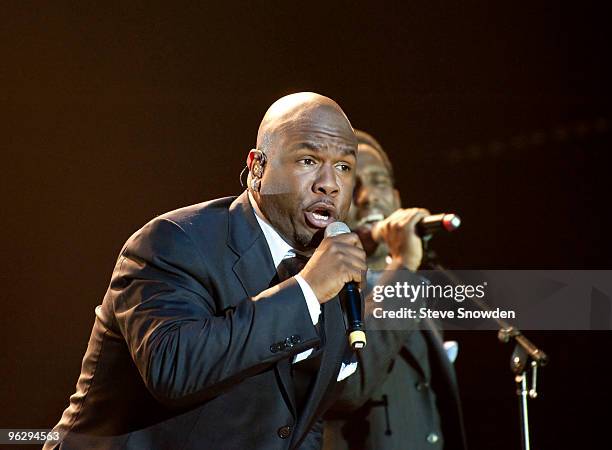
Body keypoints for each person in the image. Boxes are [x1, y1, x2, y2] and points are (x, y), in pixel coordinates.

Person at [45, 92, 368, 450]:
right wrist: (306, 291)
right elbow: (173, 368)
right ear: (258, 168)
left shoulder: (335, 271)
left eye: (344, 166)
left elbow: (302, 420)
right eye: (309, 160)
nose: (330, 183)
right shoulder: (175, 242)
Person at [323, 130, 467, 450]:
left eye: (379, 181)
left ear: (397, 200)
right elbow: (347, 388)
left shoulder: (412, 282)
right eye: (353, 184)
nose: (369, 196)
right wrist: (402, 265)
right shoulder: (320, 286)